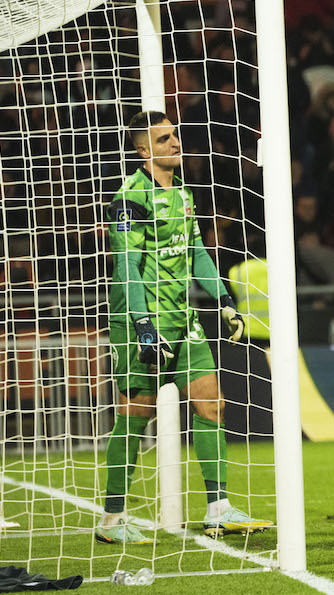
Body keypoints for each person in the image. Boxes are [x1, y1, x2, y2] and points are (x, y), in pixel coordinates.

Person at [97, 111, 271, 544]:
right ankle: (112, 520)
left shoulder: (184, 193)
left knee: (212, 404)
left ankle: (218, 509)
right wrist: (142, 323)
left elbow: (196, 253)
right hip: (140, 322)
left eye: (174, 135)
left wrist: (225, 300)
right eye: (163, 139)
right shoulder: (130, 198)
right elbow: (126, 268)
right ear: (143, 150)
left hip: (183, 320)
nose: (175, 143)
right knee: (135, 418)